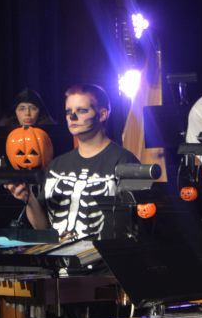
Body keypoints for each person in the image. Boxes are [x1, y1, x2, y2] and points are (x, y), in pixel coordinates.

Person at [7, 83, 138, 239]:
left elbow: (139, 224)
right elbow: (42, 227)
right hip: (59, 253)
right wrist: (29, 199)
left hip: (105, 253)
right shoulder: (56, 166)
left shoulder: (127, 162)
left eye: (81, 110)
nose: (72, 117)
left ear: (102, 114)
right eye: (68, 112)